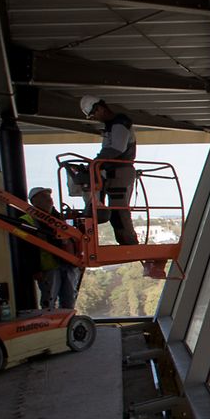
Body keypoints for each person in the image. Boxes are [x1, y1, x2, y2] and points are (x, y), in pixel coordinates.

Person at [79, 94, 138, 246]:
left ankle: (129, 245)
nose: (94, 118)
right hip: (114, 173)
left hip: (120, 172)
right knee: (112, 211)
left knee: (118, 212)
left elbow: (116, 148)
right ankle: (126, 243)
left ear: (99, 108)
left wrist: (95, 163)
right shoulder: (112, 125)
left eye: (93, 114)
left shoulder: (119, 123)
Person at [20, 187, 77, 310]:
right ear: (34, 201)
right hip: (48, 267)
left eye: (49, 197)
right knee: (49, 300)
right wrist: (35, 269)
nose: (50, 200)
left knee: (69, 299)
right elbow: (27, 250)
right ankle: (51, 324)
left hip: (66, 263)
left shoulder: (58, 218)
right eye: (45, 197)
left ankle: (65, 324)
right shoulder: (27, 220)